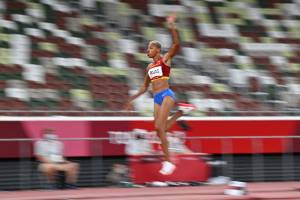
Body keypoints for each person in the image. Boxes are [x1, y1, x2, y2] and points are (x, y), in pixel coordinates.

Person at [125, 14, 196, 175]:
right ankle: (180, 113)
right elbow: (144, 87)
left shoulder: (165, 60)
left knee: (159, 127)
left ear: (158, 49)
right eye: (147, 48)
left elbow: (177, 44)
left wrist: (172, 27)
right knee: (159, 130)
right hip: (156, 98)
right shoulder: (149, 68)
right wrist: (131, 99)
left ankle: (168, 162)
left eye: (150, 47)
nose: (147, 50)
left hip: (166, 94)